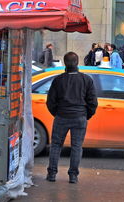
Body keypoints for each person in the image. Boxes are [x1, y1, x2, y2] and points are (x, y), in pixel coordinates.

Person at [46, 52, 97, 184]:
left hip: (61, 116)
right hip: (79, 116)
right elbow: (93, 102)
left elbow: (50, 101)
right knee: (77, 147)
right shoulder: (86, 80)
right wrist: (86, 115)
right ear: (77, 62)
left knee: (56, 145)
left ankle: (52, 174)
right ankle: (73, 175)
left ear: (64, 62)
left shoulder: (58, 80)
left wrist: (57, 113)